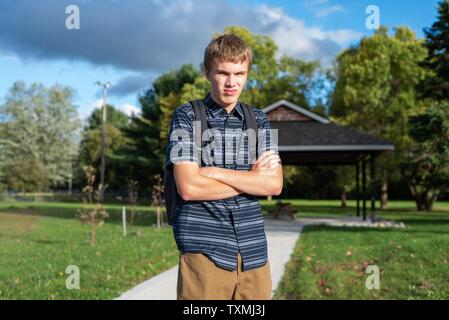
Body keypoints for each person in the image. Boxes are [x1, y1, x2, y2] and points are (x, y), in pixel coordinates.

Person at [165, 33, 283, 300]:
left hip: (254, 254)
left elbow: (273, 184)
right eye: (223, 73)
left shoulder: (259, 119)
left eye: (239, 73)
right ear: (207, 72)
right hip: (205, 253)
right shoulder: (187, 116)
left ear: (247, 74)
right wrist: (251, 179)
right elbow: (189, 187)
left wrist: (215, 172)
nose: (232, 82)